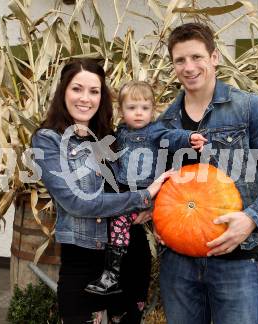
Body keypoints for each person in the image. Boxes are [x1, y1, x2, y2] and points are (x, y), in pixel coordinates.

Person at [155, 23, 258, 324]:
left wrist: (252, 219)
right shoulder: (166, 122)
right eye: (180, 60)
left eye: (196, 57)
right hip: (177, 260)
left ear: (214, 57)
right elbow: (158, 181)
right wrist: (153, 214)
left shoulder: (248, 108)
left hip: (236, 257)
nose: (189, 67)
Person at [31, 59, 172, 323]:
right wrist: (141, 198)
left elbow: (149, 174)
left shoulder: (113, 135)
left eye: (94, 91)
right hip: (83, 260)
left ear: (102, 97)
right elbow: (76, 202)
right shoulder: (48, 140)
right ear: (63, 91)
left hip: (131, 255)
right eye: (77, 89)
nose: (85, 98)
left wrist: (154, 207)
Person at [85, 80, 206, 296]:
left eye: (145, 108)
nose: (139, 113)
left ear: (153, 110)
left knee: (128, 224)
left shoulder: (155, 131)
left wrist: (189, 138)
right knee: (118, 225)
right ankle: (114, 276)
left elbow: (172, 137)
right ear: (121, 111)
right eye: (132, 108)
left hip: (150, 190)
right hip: (128, 192)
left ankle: (113, 276)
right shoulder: (121, 131)